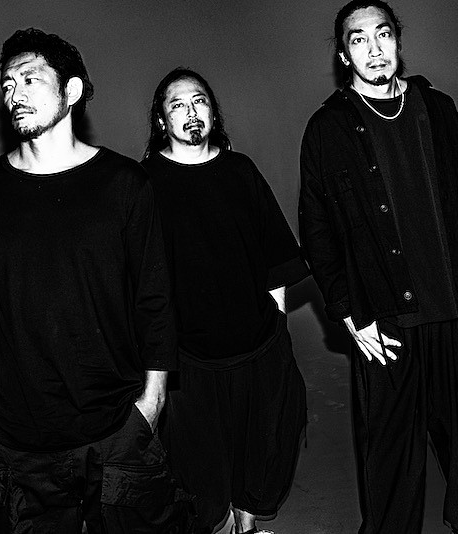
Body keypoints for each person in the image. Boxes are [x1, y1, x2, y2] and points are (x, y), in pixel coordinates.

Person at [0, 28, 193, 533]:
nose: (15, 94)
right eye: (8, 84)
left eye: (30, 79)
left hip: (117, 426)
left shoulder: (125, 184)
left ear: (72, 90)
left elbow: (155, 302)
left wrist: (151, 404)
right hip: (16, 440)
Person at [298, 2, 458, 533]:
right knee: (390, 455)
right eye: (359, 39)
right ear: (343, 54)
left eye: (383, 34)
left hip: (455, 305)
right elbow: (318, 228)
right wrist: (350, 313)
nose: (374, 49)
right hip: (384, 317)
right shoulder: (328, 128)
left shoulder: (438, 108)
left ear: (398, 40)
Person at [141, 68, 309, 534]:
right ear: (162, 121)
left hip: (256, 342)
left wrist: (276, 322)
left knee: (263, 438)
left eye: (199, 101)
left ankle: (247, 524)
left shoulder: (241, 170)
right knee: (196, 460)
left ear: (213, 112)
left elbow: (276, 253)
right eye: (178, 105)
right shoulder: (146, 182)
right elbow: (137, 275)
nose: (191, 112)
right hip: (188, 354)